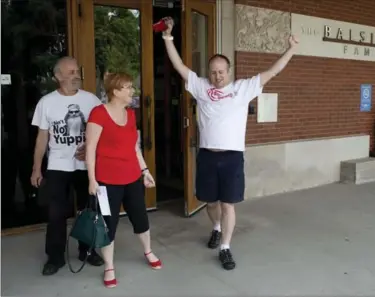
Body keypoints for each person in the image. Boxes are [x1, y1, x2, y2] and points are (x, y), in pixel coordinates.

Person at [161, 17, 299, 270]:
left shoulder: (242, 89)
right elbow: (178, 65)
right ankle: (215, 227)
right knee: (210, 203)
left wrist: (290, 49)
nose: (217, 76)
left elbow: (273, 71)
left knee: (228, 204)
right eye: (213, 71)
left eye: (221, 72)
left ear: (229, 71)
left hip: (232, 156)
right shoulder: (200, 87)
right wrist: (168, 37)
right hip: (207, 156)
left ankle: (225, 247)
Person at [85, 72, 161, 288]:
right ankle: (109, 266)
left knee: (141, 218)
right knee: (108, 224)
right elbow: (90, 149)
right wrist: (92, 179)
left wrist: (145, 170)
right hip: (106, 182)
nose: (132, 91)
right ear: (115, 91)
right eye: (128, 87)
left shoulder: (131, 114)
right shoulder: (98, 114)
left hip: (132, 178)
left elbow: (134, 147)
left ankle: (148, 251)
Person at [30, 56, 104, 276]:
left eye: (76, 71)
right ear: (57, 77)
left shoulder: (91, 100)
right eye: (70, 72)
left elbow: (102, 132)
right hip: (57, 166)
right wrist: (36, 168)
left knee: (88, 211)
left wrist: (92, 148)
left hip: (85, 166)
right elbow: (42, 138)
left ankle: (87, 250)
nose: (76, 76)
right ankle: (55, 257)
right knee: (55, 214)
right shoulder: (46, 103)